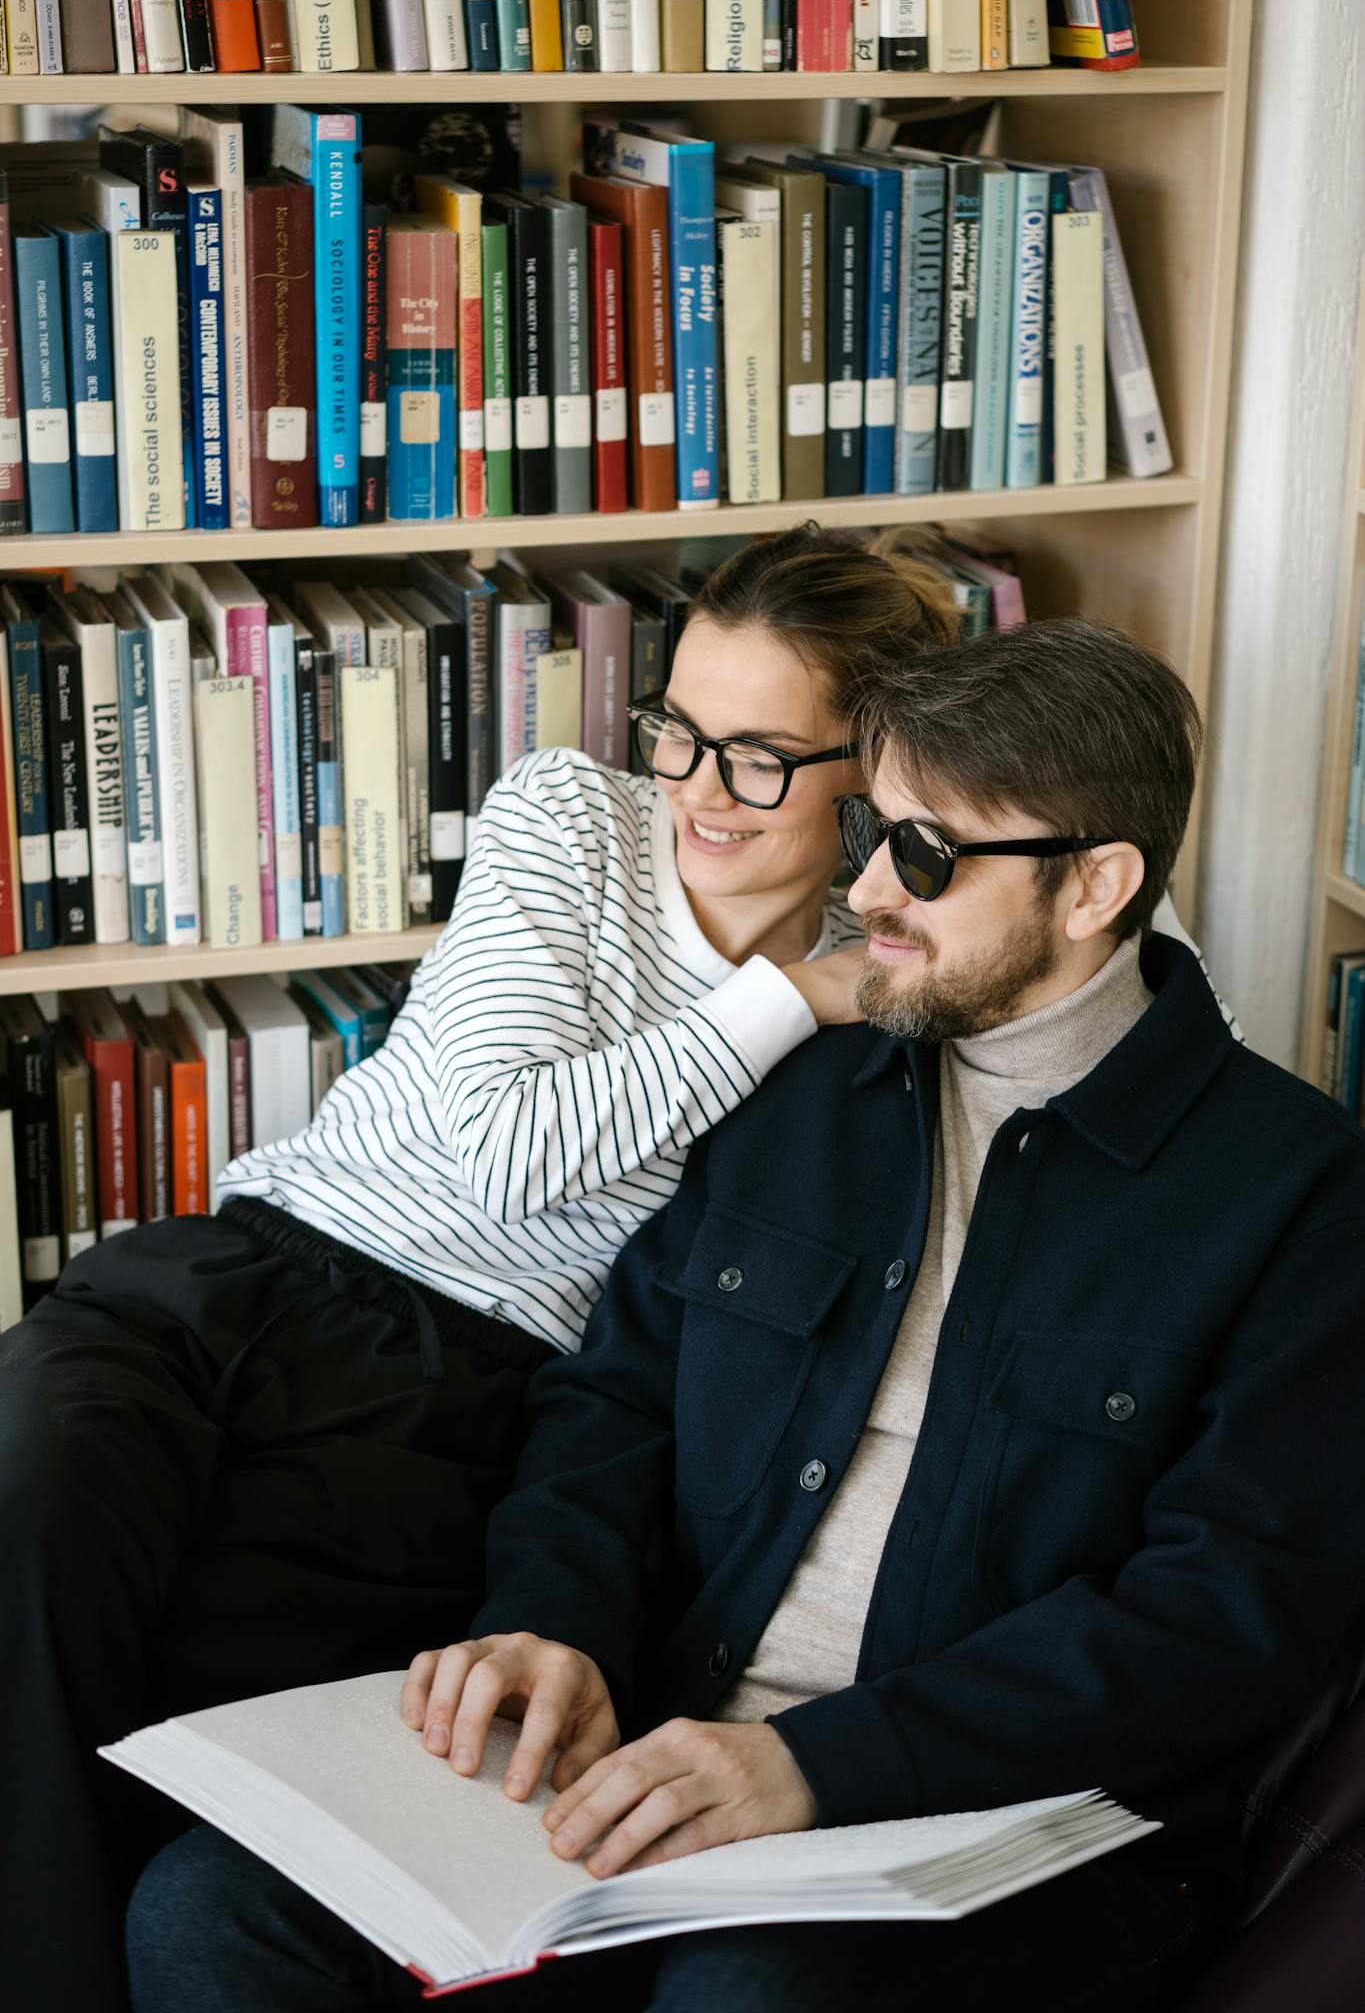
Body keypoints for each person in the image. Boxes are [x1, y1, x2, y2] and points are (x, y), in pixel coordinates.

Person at [128, 616, 1365, 2012]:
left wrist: (815, 1765)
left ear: (1095, 886)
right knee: (214, 1912)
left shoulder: (1296, 1195)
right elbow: (616, 1400)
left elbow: (1227, 1614)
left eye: (931, 855)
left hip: (1002, 1833)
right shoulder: (802, 1095)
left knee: (750, 1995)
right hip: (666, 1760)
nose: (875, 895)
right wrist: (556, 1627)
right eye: (875, 835)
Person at [0, 527, 973, 2013]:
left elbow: (1134, 957)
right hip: (253, 1269)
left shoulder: (900, 949)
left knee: (216, 1692)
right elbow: (502, 1151)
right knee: (29, 1496)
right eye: (683, 734)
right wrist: (788, 996)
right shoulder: (572, 819)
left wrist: (845, 963)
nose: (700, 794)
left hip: (474, 1381)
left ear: (881, 771)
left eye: (761, 757)